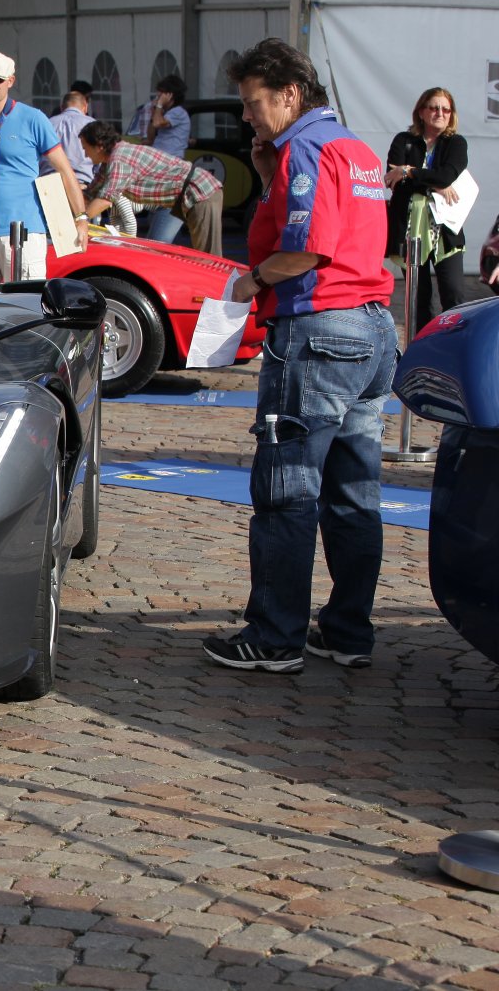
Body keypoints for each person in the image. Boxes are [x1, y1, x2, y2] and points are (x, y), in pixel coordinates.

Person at [202, 37, 397, 674]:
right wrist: (266, 178)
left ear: (289, 94)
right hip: (371, 327)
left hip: (319, 329)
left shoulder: (306, 148)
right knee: (353, 493)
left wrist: (251, 281)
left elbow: (308, 248)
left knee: (287, 488)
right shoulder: (354, 147)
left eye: (252, 103)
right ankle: (347, 631)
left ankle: (274, 636)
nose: (246, 117)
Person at [0, 51, 87, 292]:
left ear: (10, 81)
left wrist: (81, 218)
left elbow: (65, 170)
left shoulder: (33, 119)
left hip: (24, 232)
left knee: (22, 306)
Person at [384, 88, 490, 333]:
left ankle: (454, 342)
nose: (440, 113)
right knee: (418, 298)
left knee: (453, 294)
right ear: (421, 112)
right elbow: (393, 181)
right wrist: (435, 184)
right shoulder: (404, 140)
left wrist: (409, 171)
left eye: (446, 109)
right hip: (411, 230)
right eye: (433, 107)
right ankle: (422, 345)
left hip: (446, 231)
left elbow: (446, 176)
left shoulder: (456, 143)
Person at [77, 121, 223, 255]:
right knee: (200, 256)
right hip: (187, 195)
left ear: (99, 146)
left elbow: (105, 199)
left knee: (209, 258)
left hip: (199, 190)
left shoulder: (120, 158)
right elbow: (90, 194)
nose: (85, 154)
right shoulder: (108, 160)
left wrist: (79, 222)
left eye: (85, 148)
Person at [43, 90, 95, 187]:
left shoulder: (47, 124)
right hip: (82, 184)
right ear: (85, 107)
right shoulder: (92, 125)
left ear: (62, 107)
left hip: (49, 186)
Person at [144, 74, 190, 158]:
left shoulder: (178, 112)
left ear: (170, 95)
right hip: (160, 156)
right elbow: (150, 138)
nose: (158, 95)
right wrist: (154, 113)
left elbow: (157, 123)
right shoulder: (165, 113)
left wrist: (159, 104)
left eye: (161, 92)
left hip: (171, 158)